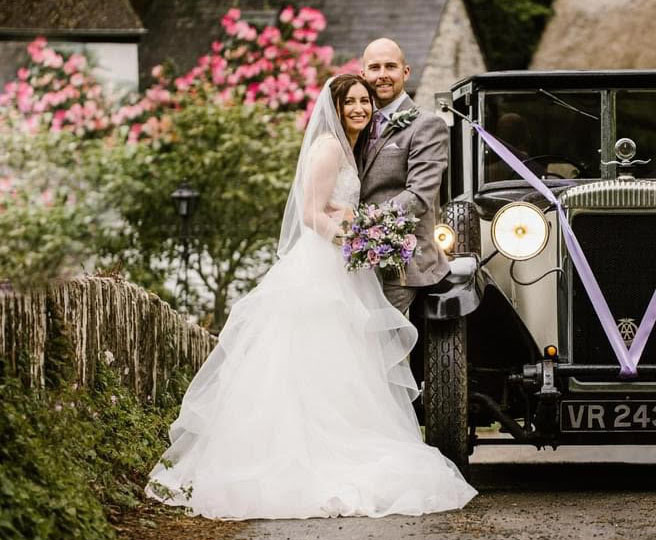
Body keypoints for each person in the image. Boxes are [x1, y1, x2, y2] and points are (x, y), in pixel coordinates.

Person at [144, 74, 477, 520]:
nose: (359, 107)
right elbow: (309, 215)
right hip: (322, 266)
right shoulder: (327, 147)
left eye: (364, 101)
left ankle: (342, 443)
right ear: (336, 108)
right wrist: (355, 239)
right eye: (351, 102)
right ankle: (300, 456)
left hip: (344, 267)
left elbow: (338, 207)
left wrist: (358, 229)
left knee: (344, 364)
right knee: (312, 360)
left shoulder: (350, 146)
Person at [359, 38, 449, 313]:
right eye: (374, 68)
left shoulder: (427, 125)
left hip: (402, 262)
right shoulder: (357, 123)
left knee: (381, 346)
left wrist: (362, 226)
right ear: (364, 75)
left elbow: (420, 195)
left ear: (405, 72)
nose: (382, 74)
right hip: (356, 260)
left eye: (390, 66)